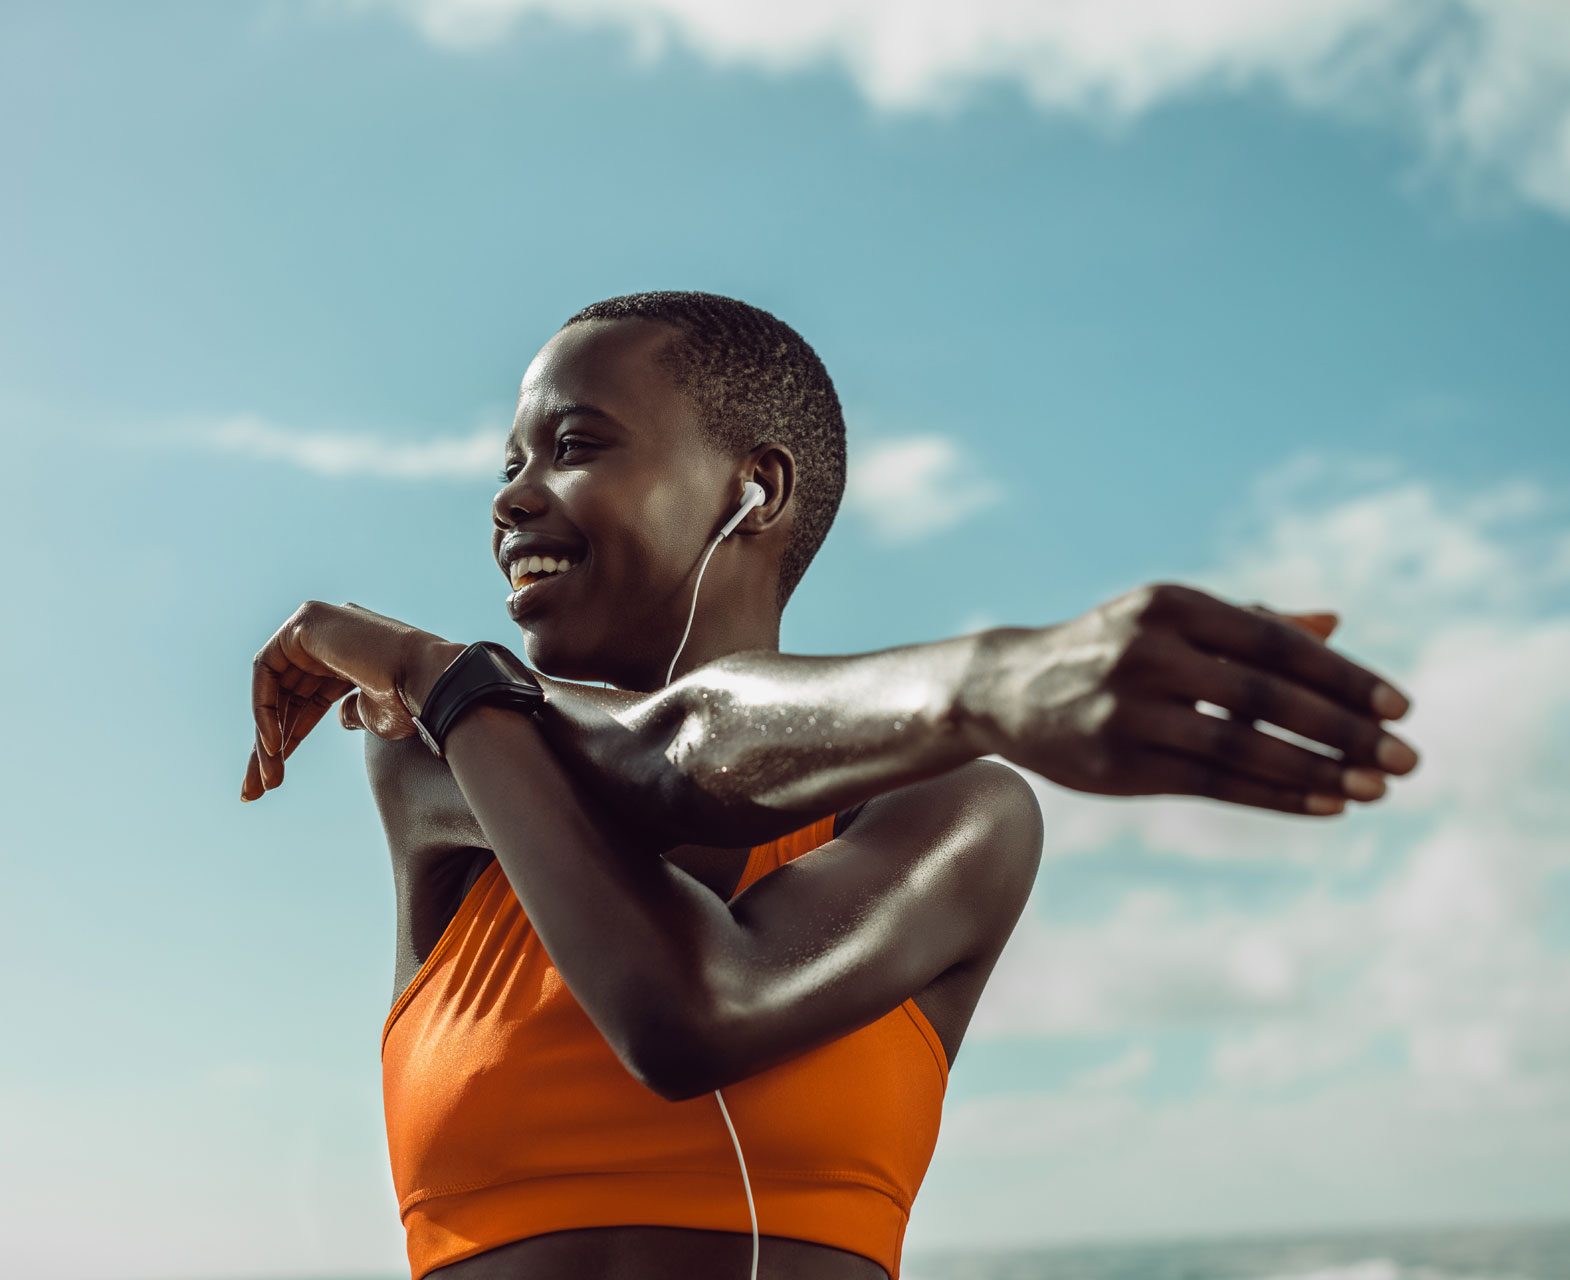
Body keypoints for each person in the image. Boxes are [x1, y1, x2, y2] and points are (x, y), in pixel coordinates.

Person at [239, 291, 1420, 1280]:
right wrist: (1000, 678)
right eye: (509, 462)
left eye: (577, 444)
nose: (511, 494)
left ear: (754, 489)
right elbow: (656, 759)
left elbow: (695, 1001)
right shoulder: (438, 751)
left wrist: (989, 691)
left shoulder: (955, 815)